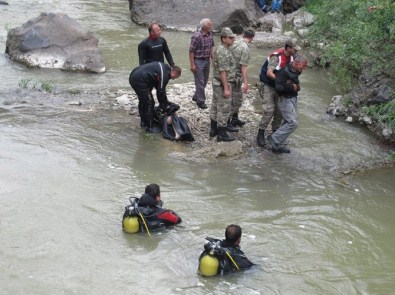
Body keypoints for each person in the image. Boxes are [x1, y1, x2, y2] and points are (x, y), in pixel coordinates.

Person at [256, 39, 301, 147]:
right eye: (294, 49)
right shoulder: (276, 57)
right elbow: (269, 73)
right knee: (269, 110)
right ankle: (260, 133)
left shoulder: (292, 58)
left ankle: (275, 133)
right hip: (268, 85)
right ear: (288, 48)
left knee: (280, 111)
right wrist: (282, 82)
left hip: (279, 87)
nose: (296, 51)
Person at [267, 55, 308, 153]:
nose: (305, 68)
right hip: (284, 100)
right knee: (293, 123)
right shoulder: (283, 72)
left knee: (286, 122)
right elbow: (279, 87)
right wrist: (291, 87)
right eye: (304, 65)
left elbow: (294, 80)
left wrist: (296, 86)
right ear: (297, 63)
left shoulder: (297, 70)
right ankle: (274, 138)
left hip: (293, 98)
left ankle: (277, 146)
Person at [129, 62, 181, 132]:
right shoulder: (165, 74)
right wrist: (164, 105)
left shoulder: (164, 68)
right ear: (174, 73)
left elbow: (160, 89)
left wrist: (165, 102)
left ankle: (143, 122)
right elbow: (160, 91)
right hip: (140, 79)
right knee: (149, 103)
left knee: (143, 100)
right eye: (175, 77)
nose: (173, 79)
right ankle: (149, 127)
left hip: (135, 76)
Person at [209, 27, 237, 142]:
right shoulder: (223, 52)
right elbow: (222, 71)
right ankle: (222, 134)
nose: (232, 40)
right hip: (221, 84)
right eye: (230, 38)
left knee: (215, 105)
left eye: (233, 37)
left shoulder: (221, 50)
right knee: (224, 108)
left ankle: (213, 130)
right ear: (223, 38)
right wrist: (226, 88)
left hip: (217, 83)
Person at [228, 27, 255, 128]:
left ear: (243, 34)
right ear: (252, 38)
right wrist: (246, 83)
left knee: (234, 98)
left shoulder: (234, 42)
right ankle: (228, 122)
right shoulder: (245, 48)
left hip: (227, 74)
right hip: (235, 78)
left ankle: (234, 118)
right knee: (235, 100)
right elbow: (244, 67)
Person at [189, 18, 215, 109]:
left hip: (207, 60)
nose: (211, 26)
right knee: (200, 81)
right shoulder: (196, 36)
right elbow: (191, 51)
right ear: (204, 26)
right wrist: (192, 64)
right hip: (198, 61)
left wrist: (213, 59)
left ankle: (196, 95)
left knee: (205, 80)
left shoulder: (210, 34)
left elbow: (211, 47)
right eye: (209, 25)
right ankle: (200, 101)